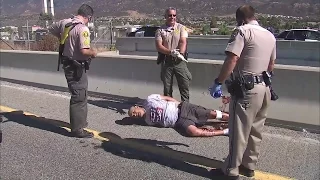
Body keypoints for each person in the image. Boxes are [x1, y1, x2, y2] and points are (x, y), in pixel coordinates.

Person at [209, 5, 276, 179]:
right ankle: (249, 166)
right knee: (256, 129)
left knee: (238, 130)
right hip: (265, 88)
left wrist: (219, 82)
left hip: (247, 90)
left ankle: (231, 169)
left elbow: (233, 58)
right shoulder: (269, 35)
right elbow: (271, 65)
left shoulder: (242, 31)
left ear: (240, 18)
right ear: (254, 16)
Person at [49, 4, 97, 138]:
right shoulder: (83, 29)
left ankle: (80, 121)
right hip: (76, 66)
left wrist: (62, 39)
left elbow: (50, 28)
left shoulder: (65, 23)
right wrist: (94, 52)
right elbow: (84, 51)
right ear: (89, 17)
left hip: (67, 63)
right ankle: (77, 129)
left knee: (80, 93)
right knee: (79, 96)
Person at [128, 94, 230, 137]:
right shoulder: (147, 121)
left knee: (210, 113)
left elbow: (166, 98)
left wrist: (178, 103)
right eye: (133, 116)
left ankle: (230, 118)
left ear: (137, 106)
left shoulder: (150, 99)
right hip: (179, 122)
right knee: (194, 132)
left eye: (133, 111)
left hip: (182, 108)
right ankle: (225, 131)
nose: (135, 114)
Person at [155, 7, 192, 102]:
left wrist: (181, 54)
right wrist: (170, 52)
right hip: (167, 61)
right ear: (165, 16)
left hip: (179, 61)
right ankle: (169, 108)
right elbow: (159, 46)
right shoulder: (160, 31)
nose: (172, 17)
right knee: (167, 87)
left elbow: (183, 42)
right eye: (170, 15)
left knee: (184, 85)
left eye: (174, 15)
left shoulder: (181, 28)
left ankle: (185, 108)